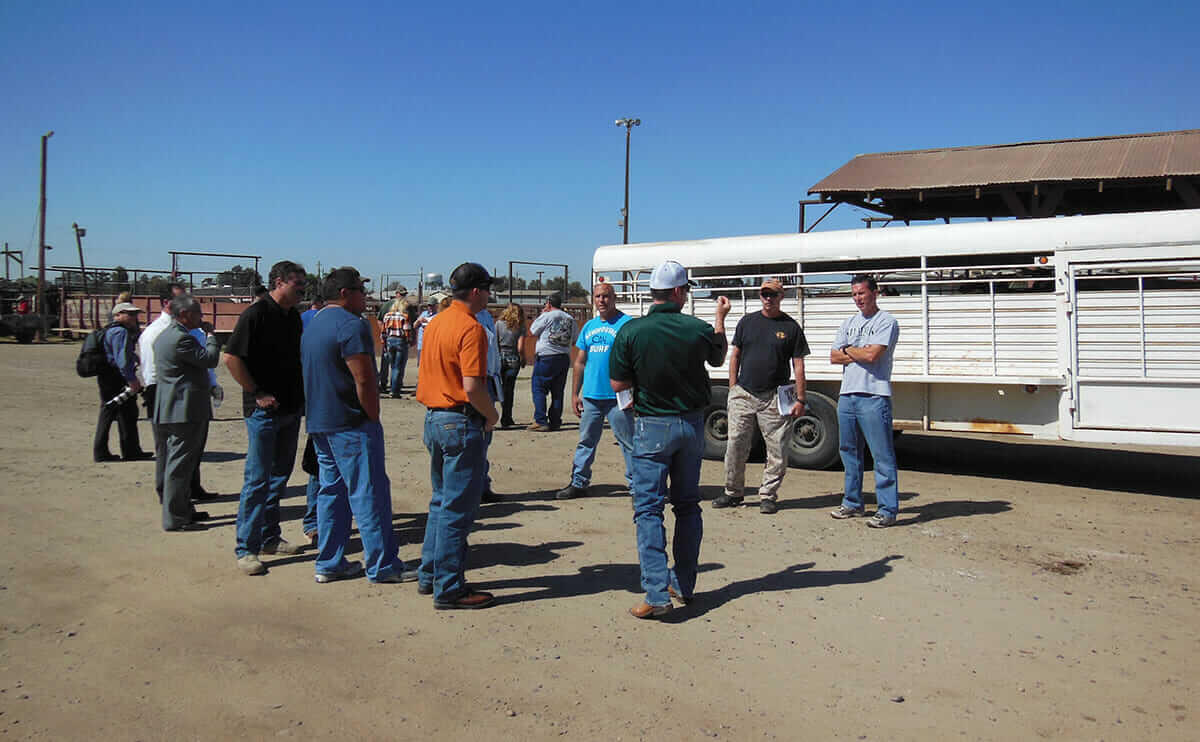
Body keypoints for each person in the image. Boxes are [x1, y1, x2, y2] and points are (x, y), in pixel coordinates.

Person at [609, 260, 730, 619]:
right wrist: (720, 317)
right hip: (691, 426)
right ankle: (684, 583)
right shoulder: (697, 329)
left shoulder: (632, 331)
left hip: (652, 426)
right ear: (678, 293)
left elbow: (618, 384)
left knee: (648, 509)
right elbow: (719, 357)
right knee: (688, 505)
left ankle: (656, 592)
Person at [302, 267, 416, 583]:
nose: (364, 297)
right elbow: (364, 378)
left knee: (332, 493)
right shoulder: (353, 326)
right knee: (370, 494)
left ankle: (329, 562)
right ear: (344, 293)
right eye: (359, 290)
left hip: (320, 423)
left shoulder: (312, 323)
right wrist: (372, 416)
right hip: (351, 423)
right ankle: (383, 566)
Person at [415, 262, 499, 610]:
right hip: (460, 421)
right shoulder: (471, 328)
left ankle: (431, 573)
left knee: (440, 502)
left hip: (435, 418)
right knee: (458, 510)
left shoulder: (437, 322)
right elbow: (472, 386)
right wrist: (491, 415)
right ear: (477, 291)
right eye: (488, 289)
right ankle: (448, 587)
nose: (490, 295)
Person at [223, 261, 308, 576]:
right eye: (297, 283)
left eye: (303, 284)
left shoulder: (293, 318)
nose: (302, 289)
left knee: (279, 476)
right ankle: (247, 548)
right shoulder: (255, 315)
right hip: (264, 412)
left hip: (290, 409)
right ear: (279, 282)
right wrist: (257, 392)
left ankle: (270, 537)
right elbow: (231, 358)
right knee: (257, 479)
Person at [714, 279, 811, 515]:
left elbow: (798, 365)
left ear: (781, 296)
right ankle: (733, 492)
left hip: (775, 397)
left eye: (773, 294)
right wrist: (733, 386)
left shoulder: (791, 327)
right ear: (760, 296)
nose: (768, 298)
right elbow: (735, 355)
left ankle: (768, 496)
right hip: (744, 394)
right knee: (736, 444)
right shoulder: (747, 322)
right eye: (764, 294)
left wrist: (800, 399)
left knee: (777, 449)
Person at [829, 274, 901, 528]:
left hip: (874, 396)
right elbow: (833, 356)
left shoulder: (887, 322)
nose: (858, 298)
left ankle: (887, 509)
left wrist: (848, 350)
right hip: (847, 395)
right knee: (849, 453)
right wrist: (852, 352)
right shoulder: (848, 322)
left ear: (875, 292)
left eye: (862, 293)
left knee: (881, 455)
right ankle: (852, 502)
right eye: (854, 294)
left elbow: (873, 355)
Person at [555, 282, 634, 499]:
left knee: (628, 442)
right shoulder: (589, 327)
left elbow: (637, 360)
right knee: (586, 441)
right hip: (591, 397)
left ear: (614, 298)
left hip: (619, 397)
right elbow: (580, 362)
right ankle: (579, 482)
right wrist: (574, 394)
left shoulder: (627, 325)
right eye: (598, 296)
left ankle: (638, 486)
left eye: (606, 296)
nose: (601, 300)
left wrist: (635, 391)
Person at [139, 286, 215, 502]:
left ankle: (189, 490)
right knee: (170, 451)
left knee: (189, 449)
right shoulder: (159, 332)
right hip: (166, 390)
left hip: (179, 390)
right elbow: (151, 368)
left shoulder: (183, 331)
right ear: (169, 304)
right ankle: (170, 497)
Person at [153, 295, 222, 531]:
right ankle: (175, 517)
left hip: (172, 406)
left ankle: (183, 510)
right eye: (197, 314)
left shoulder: (165, 336)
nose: (201, 318)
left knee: (178, 462)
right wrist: (212, 338)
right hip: (184, 408)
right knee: (180, 465)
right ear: (184, 315)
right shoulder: (181, 339)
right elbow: (209, 359)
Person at [93, 302, 152, 463]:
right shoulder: (120, 333)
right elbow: (122, 360)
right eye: (130, 314)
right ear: (118, 315)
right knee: (112, 412)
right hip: (116, 377)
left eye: (135, 314)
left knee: (125, 413)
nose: (134, 317)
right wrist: (132, 380)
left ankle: (130, 449)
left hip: (108, 376)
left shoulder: (110, 330)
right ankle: (105, 451)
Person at [527, 292, 575, 431]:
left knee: (539, 388)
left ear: (548, 304)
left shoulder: (546, 316)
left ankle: (541, 420)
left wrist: (542, 314)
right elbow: (574, 339)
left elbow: (533, 331)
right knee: (557, 391)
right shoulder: (570, 318)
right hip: (563, 356)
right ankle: (555, 420)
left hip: (546, 356)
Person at [495, 303, 526, 428]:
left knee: (500, 387)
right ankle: (506, 417)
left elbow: (495, 342)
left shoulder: (498, 324)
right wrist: (523, 359)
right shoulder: (520, 326)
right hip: (513, 357)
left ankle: (500, 412)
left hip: (500, 355)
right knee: (509, 388)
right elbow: (520, 347)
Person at [376, 287, 407, 393]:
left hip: (389, 338)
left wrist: (385, 334)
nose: (403, 296)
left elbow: (380, 321)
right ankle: (393, 386)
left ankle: (388, 384)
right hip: (399, 338)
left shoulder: (388, 311)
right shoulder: (402, 309)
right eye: (401, 294)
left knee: (388, 362)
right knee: (397, 364)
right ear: (397, 294)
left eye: (404, 294)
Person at [381, 295, 412, 397]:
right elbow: (407, 331)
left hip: (389, 341)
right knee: (398, 367)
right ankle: (395, 390)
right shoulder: (404, 316)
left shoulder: (387, 316)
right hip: (400, 341)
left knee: (392, 366)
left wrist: (384, 343)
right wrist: (408, 341)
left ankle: (391, 388)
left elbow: (383, 331)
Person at [414, 299, 437, 368]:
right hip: (421, 344)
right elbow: (414, 325)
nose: (430, 307)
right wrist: (419, 321)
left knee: (431, 366)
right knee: (421, 365)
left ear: (436, 306)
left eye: (432, 305)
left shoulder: (438, 316)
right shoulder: (424, 314)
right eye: (429, 305)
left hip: (432, 345)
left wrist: (428, 322)